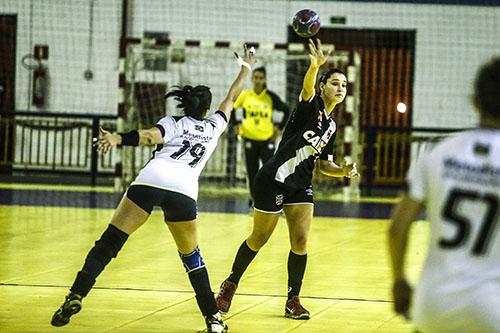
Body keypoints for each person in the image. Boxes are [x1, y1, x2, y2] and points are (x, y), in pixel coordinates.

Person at [50, 44, 256, 333]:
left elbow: (148, 137)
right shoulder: (214, 127)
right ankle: (214, 321)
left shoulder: (173, 122)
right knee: (192, 258)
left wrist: (118, 139)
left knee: (109, 243)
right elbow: (232, 97)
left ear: (186, 106)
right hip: (184, 190)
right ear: (206, 109)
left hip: (151, 180)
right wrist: (246, 67)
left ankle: (76, 294)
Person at [216, 39, 359, 319]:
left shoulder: (331, 125)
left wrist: (342, 171)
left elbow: (324, 165)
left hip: (300, 186)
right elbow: (307, 87)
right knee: (259, 238)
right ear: (322, 87)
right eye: (334, 83)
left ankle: (293, 300)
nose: (340, 88)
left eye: (343, 84)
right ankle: (230, 284)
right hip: (273, 180)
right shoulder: (310, 106)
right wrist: (315, 66)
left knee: (301, 241)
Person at [388, 57, 500, 332]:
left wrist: (399, 280)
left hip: (434, 304)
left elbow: (397, 229)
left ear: (475, 101)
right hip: (492, 308)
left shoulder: (436, 153)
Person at [232, 67, 290, 209]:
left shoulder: (270, 97)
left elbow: (286, 110)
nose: (258, 80)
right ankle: (254, 202)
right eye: (256, 77)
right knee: (252, 173)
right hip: (249, 140)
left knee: (269, 173)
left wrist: (278, 130)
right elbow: (232, 108)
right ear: (252, 79)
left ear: (265, 80)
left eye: (261, 78)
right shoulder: (245, 95)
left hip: (267, 140)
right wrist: (236, 125)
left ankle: (271, 202)